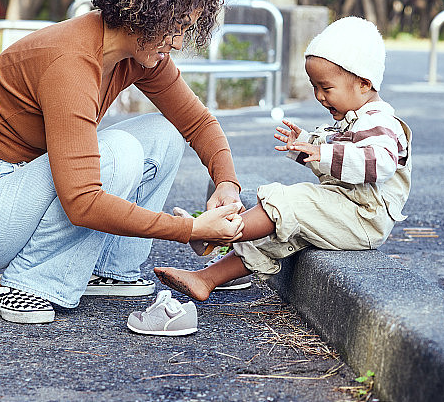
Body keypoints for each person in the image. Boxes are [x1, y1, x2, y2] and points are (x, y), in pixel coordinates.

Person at [0, 0, 246, 325]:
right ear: (142, 10)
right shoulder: (70, 62)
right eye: (174, 26)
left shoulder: (140, 53)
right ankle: (27, 284)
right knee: (117, 153)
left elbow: (197, 123)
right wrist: (190, 228)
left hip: (21, 185)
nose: (179, 43)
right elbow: (82, 201)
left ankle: (113, 269)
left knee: (164, 134)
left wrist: (227, 185)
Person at [147, 16, 412, 305]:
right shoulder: (356, 118)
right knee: (274, 236)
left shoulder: (381, 121)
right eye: (314, 87)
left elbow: (380, 163)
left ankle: (216, 233)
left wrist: (324, 153)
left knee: (288, 201)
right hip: (348, 210)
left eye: (326, 88)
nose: (319, 97)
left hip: (364, 218)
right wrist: (305, 146)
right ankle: (205, 279)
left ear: (363, 83)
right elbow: (342, 161)